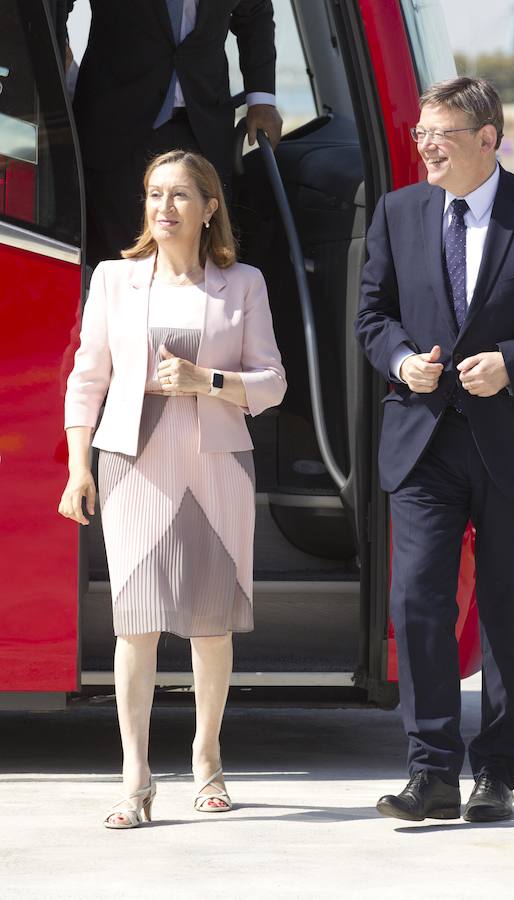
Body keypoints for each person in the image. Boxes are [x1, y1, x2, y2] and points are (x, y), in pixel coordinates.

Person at [355, 77, 514, 823]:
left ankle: (495, 772)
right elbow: (371, 315)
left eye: (441, 135)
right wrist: (401, 359)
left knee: (504, 612)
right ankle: (429, 770)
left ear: (487, 139)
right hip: (423, 440)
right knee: (419, 603)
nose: (425, 147)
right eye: (420, 135)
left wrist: (513, 364)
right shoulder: (398, 212)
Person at [59, 149, 286, 827]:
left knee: (211, 625)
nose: (164, 207)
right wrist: (77, 468)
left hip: (217, 464)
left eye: (180, 195)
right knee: (137, 625)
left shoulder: (242, 283)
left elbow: (271, 383)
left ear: (208, 207)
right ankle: (135, 778)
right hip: (131, 465)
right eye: (155, 193)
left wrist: (206, 383)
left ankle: (207, 760)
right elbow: (86, 379)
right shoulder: (113, 279)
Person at [61, 0, 282, 266]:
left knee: (201, 258)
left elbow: (255, 11)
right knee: (121, 259)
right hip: (117, 126)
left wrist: (261, 100)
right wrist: (54, 43)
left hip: (202, 127)